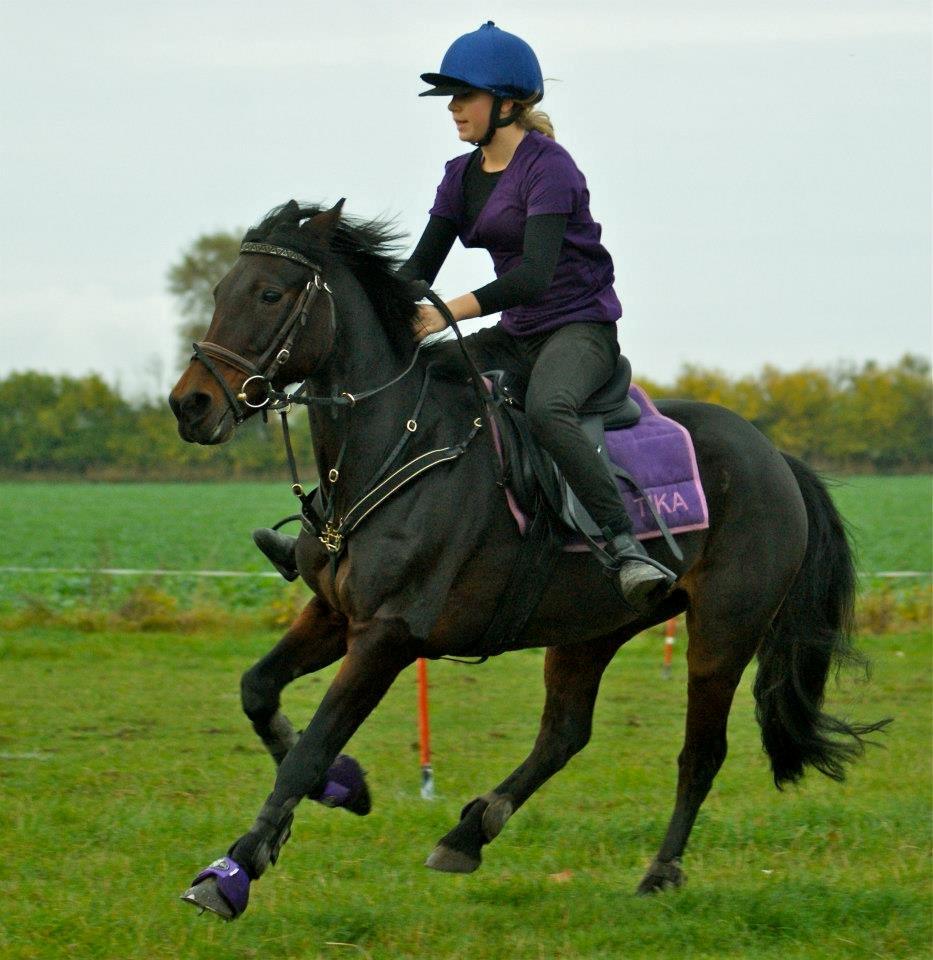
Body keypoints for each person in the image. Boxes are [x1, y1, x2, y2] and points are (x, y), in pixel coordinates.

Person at [253, 21, 673, 608]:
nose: (452, 108)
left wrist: (445, 313)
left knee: (549, 411)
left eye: (464, 96)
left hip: (580, 331)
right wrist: (358, 303)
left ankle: (625, 547)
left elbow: (534, 276)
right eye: (450, 97)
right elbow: (419, 270)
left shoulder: (550, 167)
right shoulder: (459, 176)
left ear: (508, 104)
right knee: (405, 380)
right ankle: (315, 536)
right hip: (517, 334)